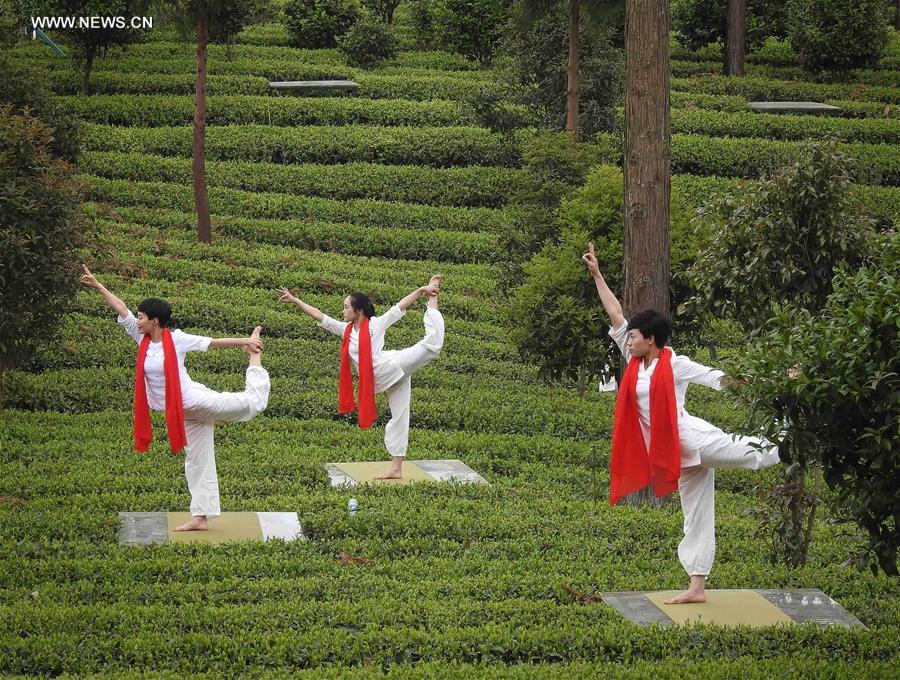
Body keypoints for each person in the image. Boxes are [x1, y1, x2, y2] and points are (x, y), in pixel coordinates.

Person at [581, 244, 780, 604]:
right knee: (697, 516)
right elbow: (615, 313)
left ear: (651, 339)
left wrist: (776, 380)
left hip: (692, 441)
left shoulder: (674, 363)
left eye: (635, 336)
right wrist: (597, 275)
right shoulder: (635, 358)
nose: (629, 339)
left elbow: (719, 378)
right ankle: (696, 587)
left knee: (756, 455)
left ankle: (794, 440)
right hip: (675, 453)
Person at [79, 265, 270, 531]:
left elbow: (211, 342)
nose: (137, 320)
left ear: (155, 321)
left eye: (142, 317)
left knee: (253, 403)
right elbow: (121, 309)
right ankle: (201, 518)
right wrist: (99, 286)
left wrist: (245, 342)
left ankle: (255, 355)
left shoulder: (177, 339)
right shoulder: (141, 338)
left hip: (194, 402)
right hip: (181, 411)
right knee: (197, 460)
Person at [277, 276, 444, 479]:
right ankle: (433, 299)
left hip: (390, 368)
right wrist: (295, 300)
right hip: (381, 375)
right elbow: (321, 317)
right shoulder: (346, 330)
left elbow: (399, 307)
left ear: (359, 310)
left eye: (346, 307)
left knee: (402, 414)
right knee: (430, 347)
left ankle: (396, 468)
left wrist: (421, 290)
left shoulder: (376, 324)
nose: (343, 311)